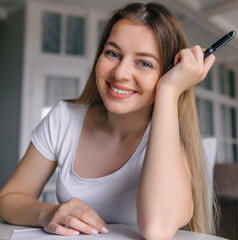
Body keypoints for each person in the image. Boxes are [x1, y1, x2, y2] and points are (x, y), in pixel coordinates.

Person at [0, 2, 217, 239]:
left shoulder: (170, 139)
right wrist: (47, 212)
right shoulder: (64, 118)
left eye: (144, 63)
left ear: (167, 74)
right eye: (113, 53)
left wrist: (168, 92)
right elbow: (9, 199)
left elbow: (157, 229)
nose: (120, 73)